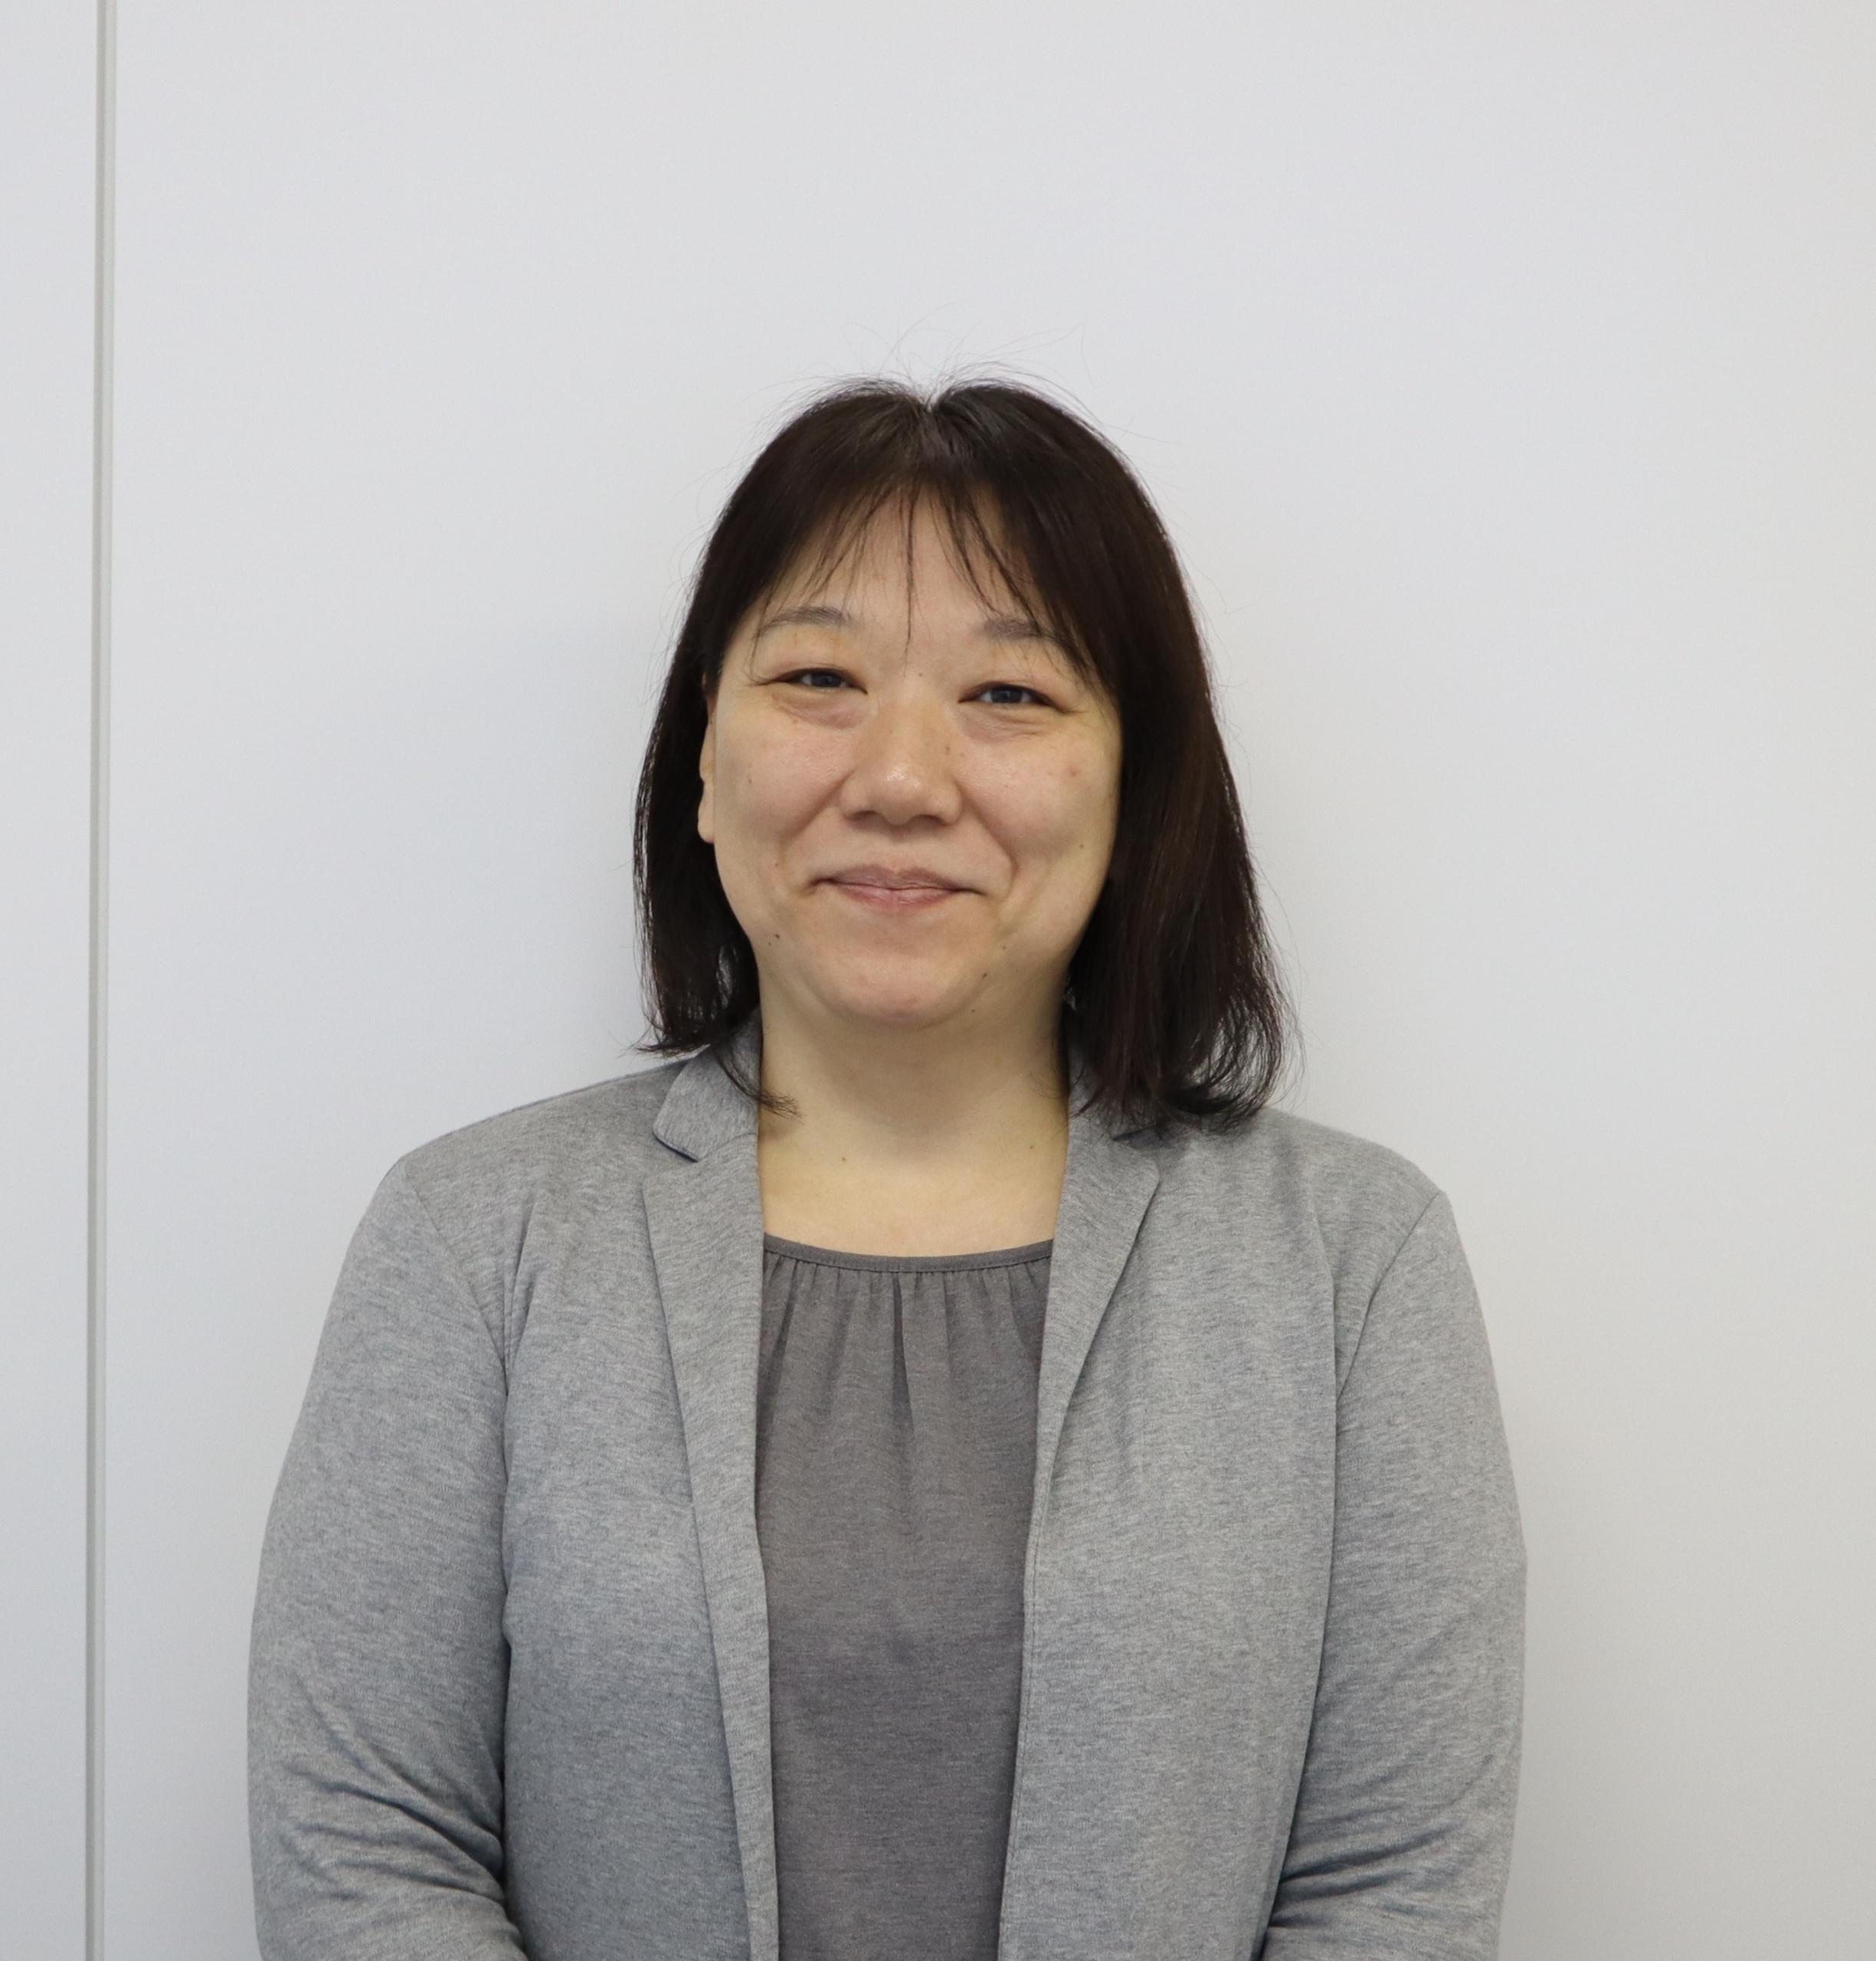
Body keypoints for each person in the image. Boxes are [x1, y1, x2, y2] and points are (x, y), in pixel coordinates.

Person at [247, 376, 1526, 1961]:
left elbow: (1394, 1888)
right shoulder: (475, 1236)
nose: (902, 776)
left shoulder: (1351, 1262)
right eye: (818, 677)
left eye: (1010, 693)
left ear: (1135, 787)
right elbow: (362, 1846)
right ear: (702, 759)